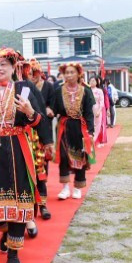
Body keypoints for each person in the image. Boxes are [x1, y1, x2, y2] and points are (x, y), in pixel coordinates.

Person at [0, 48, 52, 263]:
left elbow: (40, 120)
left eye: (3, 65)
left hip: (18, 147)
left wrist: (29, 113)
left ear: (13, 67)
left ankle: (14, 252)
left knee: (19, 199)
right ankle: (5, 230)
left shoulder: (24, 88)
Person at [54, 63, 95, 200]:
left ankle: (77, 187)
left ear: (78, 74)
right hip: (64, 126)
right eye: (67, 72)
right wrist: (48, 111)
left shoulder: (86, 91)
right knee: (64, 156)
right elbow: (53, 109)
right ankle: (65, 188)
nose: (69, 75)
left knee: (80, 156)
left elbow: (89, 113)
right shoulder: (58, 90)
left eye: (72, 72)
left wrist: (90, 131)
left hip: (80, 127)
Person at [28, 59, 55, 221]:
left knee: (41, 170)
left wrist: (50, 109)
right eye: (28, 73)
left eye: (33, 73)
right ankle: (29, 208)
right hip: (23, 135)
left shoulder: (47, 87)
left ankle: (43, 205)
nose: (31, 76)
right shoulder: (21, 88)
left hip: (40, 132)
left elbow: (53, 104)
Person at [89, 76, 108, 147]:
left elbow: (101, 102)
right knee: (90, 125)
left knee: (97, 126)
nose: (92, 82)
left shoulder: (99, 91)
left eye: (93, 81)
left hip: (97, 109)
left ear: (97, 82)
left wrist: (99, 111)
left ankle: (94, 140)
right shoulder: (87, 90)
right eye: (90, 81)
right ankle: (90, 141)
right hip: (88, 110)